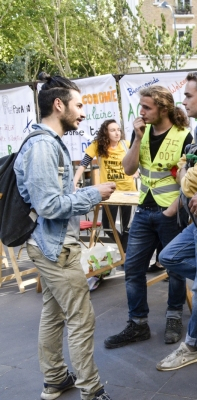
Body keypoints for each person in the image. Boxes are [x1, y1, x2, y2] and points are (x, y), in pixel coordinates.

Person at [14, 73, 115, 400]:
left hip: (49, 245)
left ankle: (56, 379)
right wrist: (93, 194)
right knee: (81, 320)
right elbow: (49, 205)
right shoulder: (43, 146)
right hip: (55, 249)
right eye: (79, 105)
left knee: (54, 313)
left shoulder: (45, 142)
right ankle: (92, 391)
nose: (83, 113)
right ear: (59, 105)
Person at [104, 85, 193, 349]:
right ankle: (138, 324)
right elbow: (129, 169)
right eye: (141, 106)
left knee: (174, 268)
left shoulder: (184, 136)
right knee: (132, 268)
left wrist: (173, 209)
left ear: (163, 109)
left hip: (169, 213)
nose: (141, 112)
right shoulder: (139, 132)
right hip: (143, 210)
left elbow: (190, 182)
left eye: (146, 107)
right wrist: (139, 138)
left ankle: (174, 317)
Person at [155, 71, 197, 371]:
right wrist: (186, 174)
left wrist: (187, 175)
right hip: (196, 223)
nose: (184, 100)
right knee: (169, 257)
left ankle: (192, 344)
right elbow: (183, 173)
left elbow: (191, 180)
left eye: (189, 95)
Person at [73, 119, 136, 250]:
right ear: (105, 133)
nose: (117, 133)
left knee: (126, 228)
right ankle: (126, 250)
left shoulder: (126, 145)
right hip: (110, 192)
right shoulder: (98, 145)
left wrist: (136, 171)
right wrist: (74, 182)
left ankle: (127, 257)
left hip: (128, 191)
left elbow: (137, 162)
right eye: (113, 130)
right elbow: (83, 164)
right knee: (107, 226)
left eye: (118, 130)